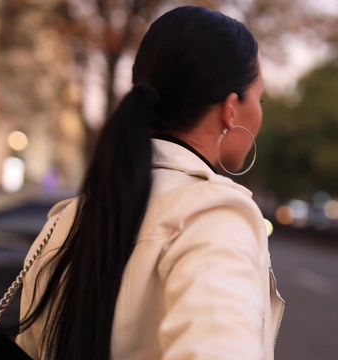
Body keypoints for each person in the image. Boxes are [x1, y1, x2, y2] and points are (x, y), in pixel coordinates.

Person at [16, 5, 284, 359]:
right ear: (231, 109)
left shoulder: (65, 220)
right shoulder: (214, 217)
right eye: (259, 98)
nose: (260, 113)